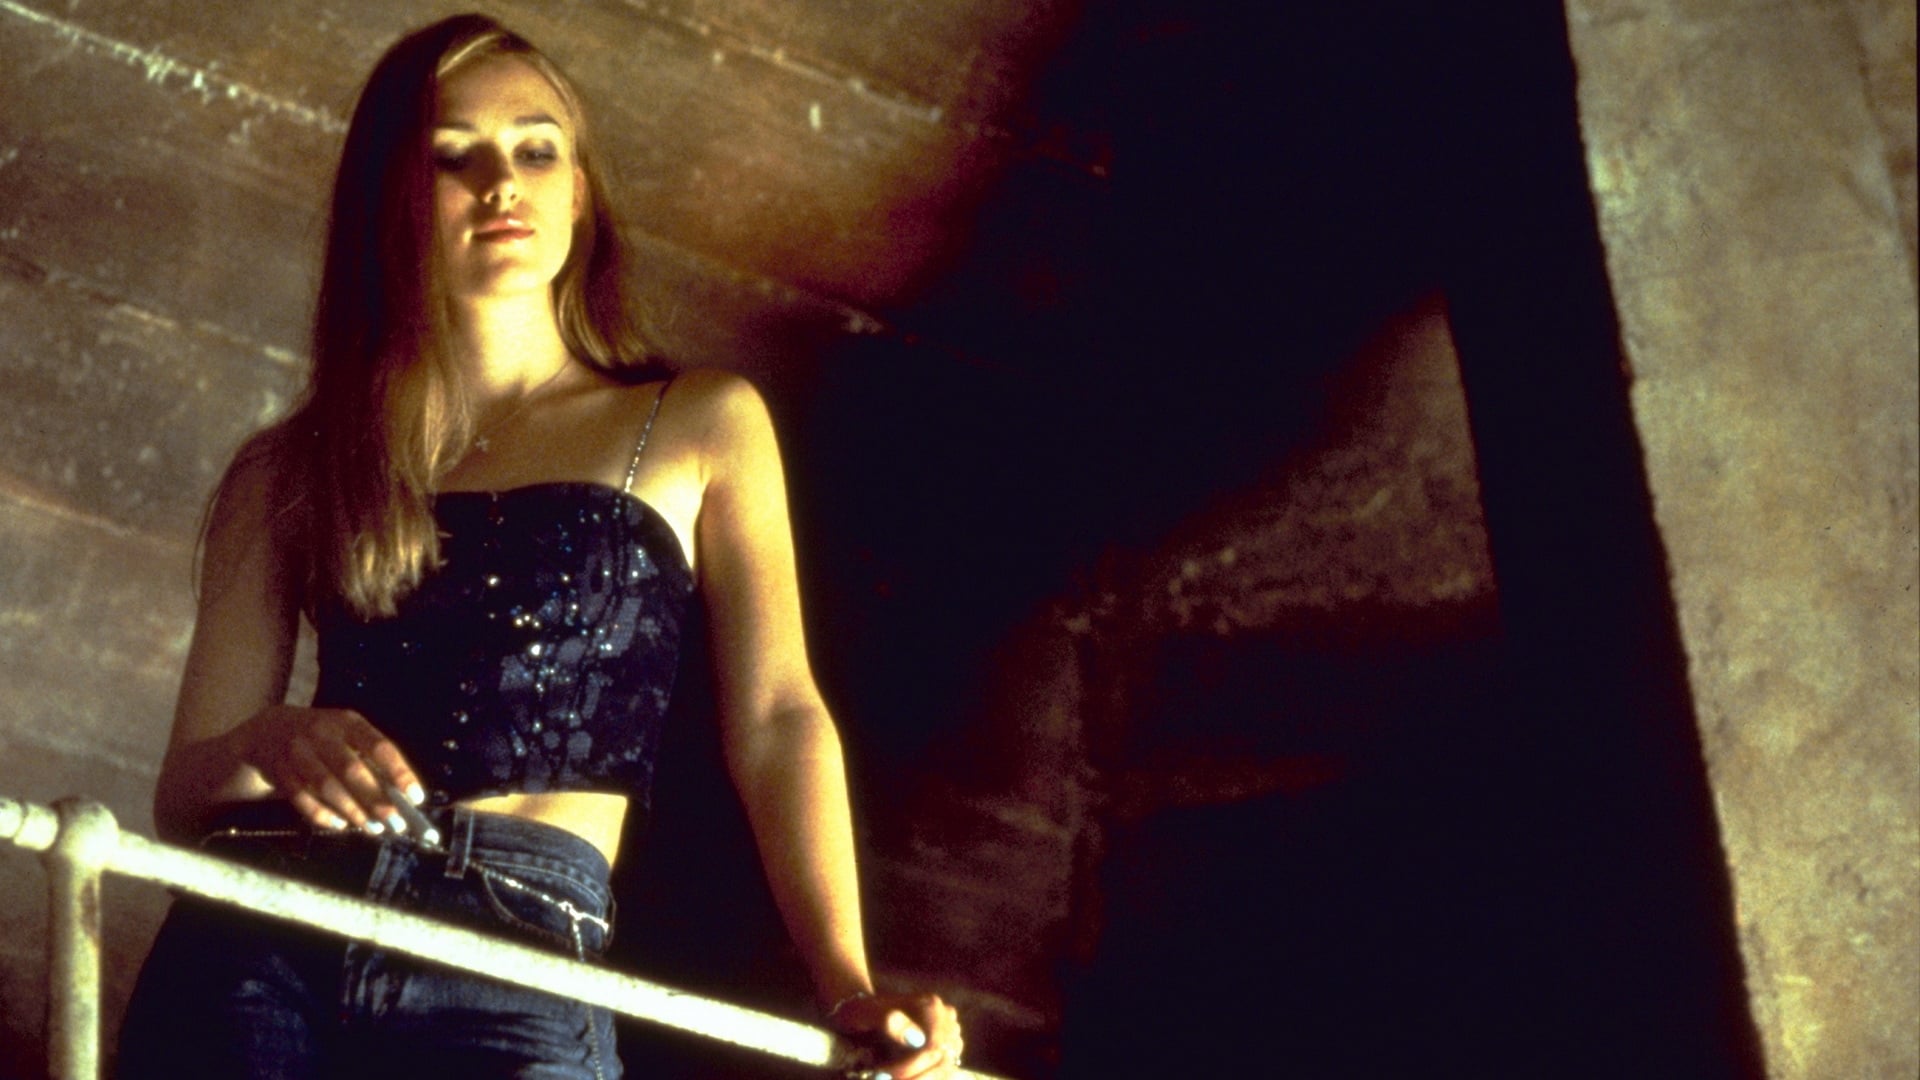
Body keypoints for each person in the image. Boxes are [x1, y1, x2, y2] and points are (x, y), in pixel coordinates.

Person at [117, 14, 963, 1080]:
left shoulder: (697, 422)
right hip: (265, 942)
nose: (501, 183)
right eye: (451, 156)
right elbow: (184, 793)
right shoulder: (292, 466)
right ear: (388, 199)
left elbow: (778, 717)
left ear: (580, 193)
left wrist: (846, 979)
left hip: (520, 945)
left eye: (535, 149)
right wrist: (270, 738)